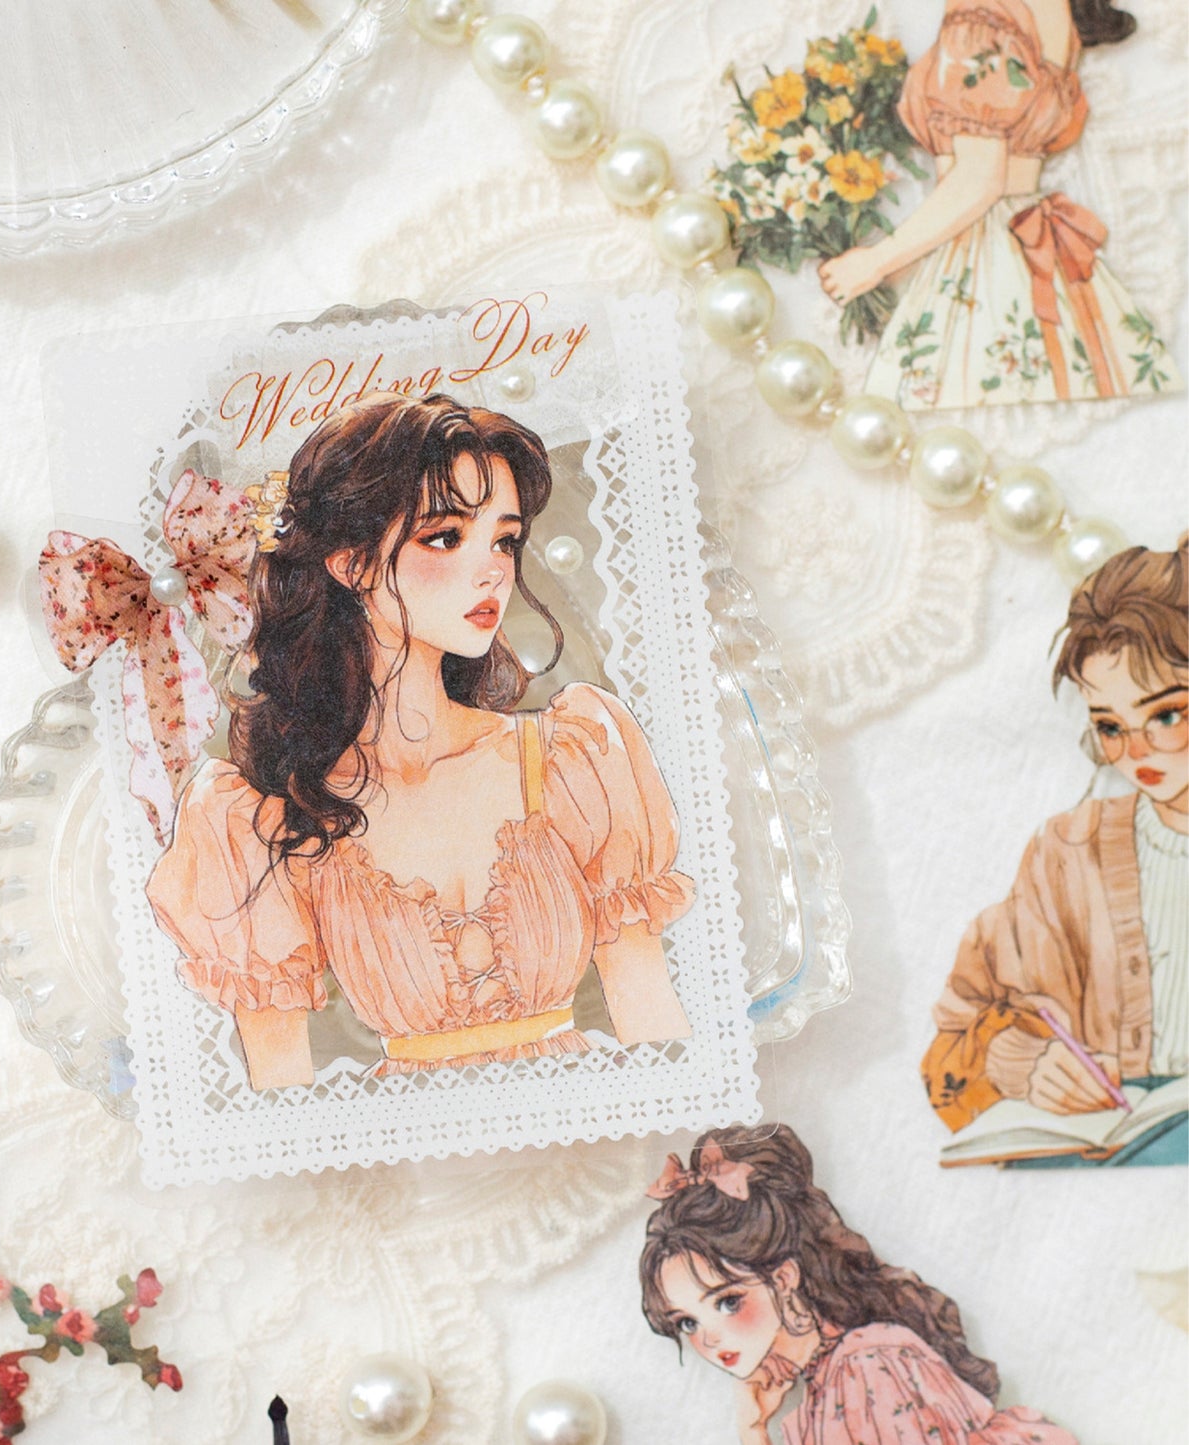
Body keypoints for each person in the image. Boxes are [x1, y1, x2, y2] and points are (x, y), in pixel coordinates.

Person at [146, 393, 693, 1090]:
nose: (493, 570)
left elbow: (652, 1019)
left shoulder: (572, 756)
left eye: (504, 539)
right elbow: (279, 1090)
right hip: (411, 1144)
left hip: (591, 1121)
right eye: (445, 537)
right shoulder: (263, 821)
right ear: (351, 563)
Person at [921, 540, 1186, 1161]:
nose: (1136, 753)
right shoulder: (1070, 851)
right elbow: (959, 1028)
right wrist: (1023, 1060)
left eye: (1166, 716)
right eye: (1111, 727)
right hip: (1122, 1144)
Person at [819, 0, 1179, 409]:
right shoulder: (1058, 12)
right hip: (1034, 243)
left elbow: (979, 178)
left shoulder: (983, 15)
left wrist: (875, 262)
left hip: (979, 251)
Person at [639, 1125, 1080, 1445]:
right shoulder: (829, 1380)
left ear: (785, 1277)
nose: (709, 1338)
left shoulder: (867, 1366)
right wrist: (753, 1429)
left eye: (728, 1302)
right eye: (687, 1323)